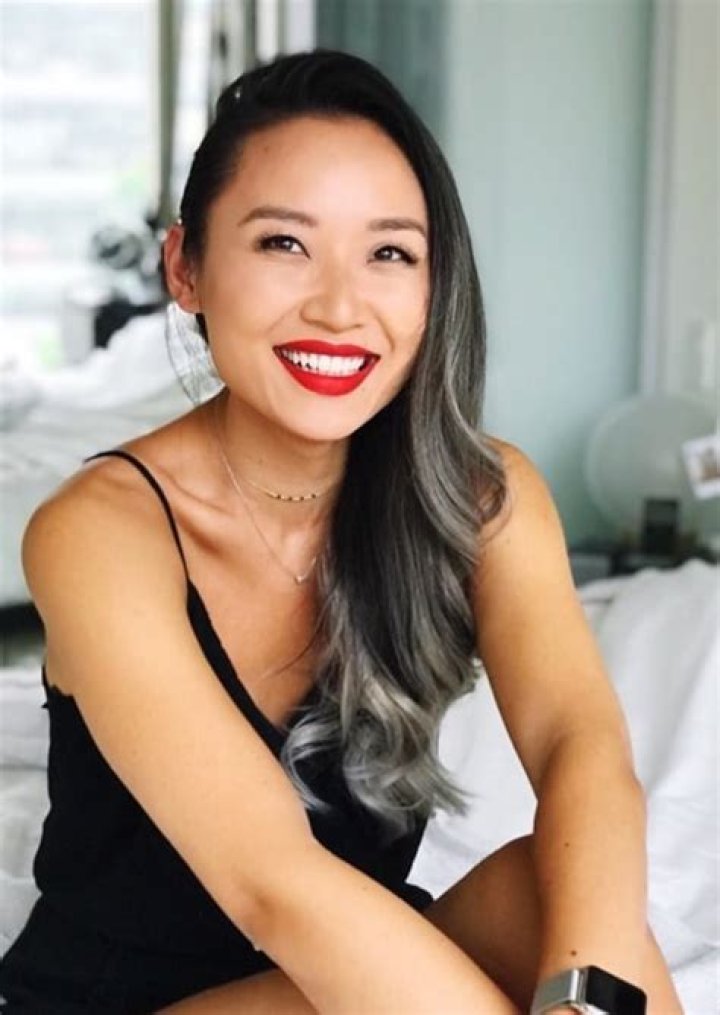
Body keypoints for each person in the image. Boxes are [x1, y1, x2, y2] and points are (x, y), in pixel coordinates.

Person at [0, 50, 681, 1015]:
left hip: (350, 977)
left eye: (389, 253)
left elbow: (582, 745)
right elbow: (272, 883)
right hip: (134, 999)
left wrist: (586, 1004)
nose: (338, 306)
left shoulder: (480, 496)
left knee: (558, 897)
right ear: (186, 267)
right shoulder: (99, 531)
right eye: (284, 243)